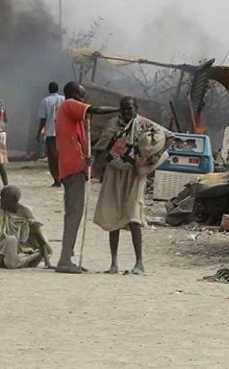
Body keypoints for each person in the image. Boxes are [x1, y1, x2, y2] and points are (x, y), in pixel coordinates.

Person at [93, 97, 174, 275]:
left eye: (129, 109)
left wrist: (154, 155)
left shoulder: (145, 124)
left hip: (135, 174)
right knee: (112, 214)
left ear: (136, 109)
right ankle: (114, 263)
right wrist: (94, 164)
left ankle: (139, 263)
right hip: (114, 173)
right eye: (123, 109)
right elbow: (102, 146)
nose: (126, 112)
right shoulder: (113, 124)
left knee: (134, 215)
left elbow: (169, 137)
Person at [54, 82, 118, 274]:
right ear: (74, 94)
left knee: (75, 213)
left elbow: (76, 141)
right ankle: (65, 259)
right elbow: (95, 110)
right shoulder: (69, 105)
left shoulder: (74, 118)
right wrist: (117, 108)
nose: (84, 100)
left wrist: (86, 157)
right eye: (82, 96)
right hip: (73, 168)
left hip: (77, 167)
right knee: (74, 214)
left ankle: (68, 256)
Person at [0, 185, 52, 269]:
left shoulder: (26, 212)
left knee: (12, 243)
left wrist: (47, 263)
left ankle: (18, 260)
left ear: (14, 200)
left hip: (21, 250)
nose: (1, 201)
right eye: (0, 197)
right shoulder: (0, 212)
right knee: (11, 240)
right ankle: (20, 261)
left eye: (4, 198)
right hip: (0, 253)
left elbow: (38, 235)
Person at [37, 82, 65, 187]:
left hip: (50, 132)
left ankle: (56, 179)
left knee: (53, 158)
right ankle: (62, 177)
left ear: (49, 89)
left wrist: (39, 132)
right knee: (61, 155)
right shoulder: (64, 99)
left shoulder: (45, 101)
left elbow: (43, 119)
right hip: (62, 132)